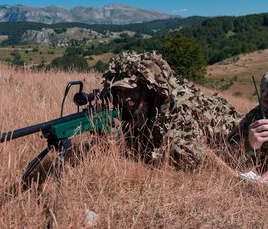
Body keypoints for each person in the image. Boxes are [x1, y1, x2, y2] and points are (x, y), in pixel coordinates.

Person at [103, 51, 240, 170]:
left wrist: (146, 155)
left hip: (222, 121)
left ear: (146, 89)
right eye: (121, 92)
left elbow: (192, 158)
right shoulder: (131, 111)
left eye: (132, 91)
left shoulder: (174, 112)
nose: (126, 98)